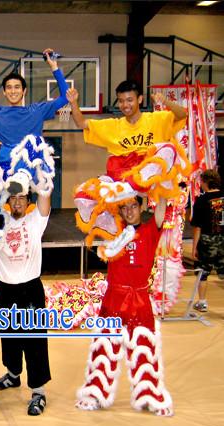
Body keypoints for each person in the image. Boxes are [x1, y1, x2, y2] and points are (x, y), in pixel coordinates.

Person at [75, 195, 174, 417]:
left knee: (144, 349)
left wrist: (164, 184)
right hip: (113, 299)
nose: (129, 211)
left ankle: (149, 394)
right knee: (103, 346)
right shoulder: (113, 229)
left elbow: (161, 207)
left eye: (133, 206)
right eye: (124, 207)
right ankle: (95, 393)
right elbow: (86, 211)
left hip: (139, 300)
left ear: (141, 207)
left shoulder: (150, 230)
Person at [67, 81, 190, 259]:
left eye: (130, 100)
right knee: (81, 194)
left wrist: (166, 102)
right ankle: (112, 227)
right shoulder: (113, 125)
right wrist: (73, 102)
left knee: (168, 148)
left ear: (140, 99)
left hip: (146, 177)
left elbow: (182, 114)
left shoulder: (156, 119)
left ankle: (134, 183)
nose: (125, 105)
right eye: (121, 101)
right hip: (119, 179)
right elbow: (81, 123)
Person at [0, 50, 67, 224]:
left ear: (24, 91)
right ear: (3, 92)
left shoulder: (37, 110)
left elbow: (64, 98)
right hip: (5, 168)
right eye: (9, 87)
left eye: (17, 87)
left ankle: (23, 181)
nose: (13, 91)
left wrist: (54, 67)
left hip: (30, 167)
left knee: (35, 145)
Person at [0, 179, 52, 416]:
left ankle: (39, 391)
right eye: (12, 198)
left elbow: (45, 197)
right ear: (7, 201)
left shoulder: (36, 221)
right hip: (5, 289)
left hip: (30, 289)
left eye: (21, 197)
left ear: (27, 201)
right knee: (9, 338)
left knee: (34, 342)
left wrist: (41, 172)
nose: (17, 202)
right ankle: (13, 375)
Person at [191, 169, 223, 312]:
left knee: (203, 272)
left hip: (207, 240)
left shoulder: (202, 200)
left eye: (202, 181)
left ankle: (202, 303)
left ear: (206, 182)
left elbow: (197, 227)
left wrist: (194, 247)